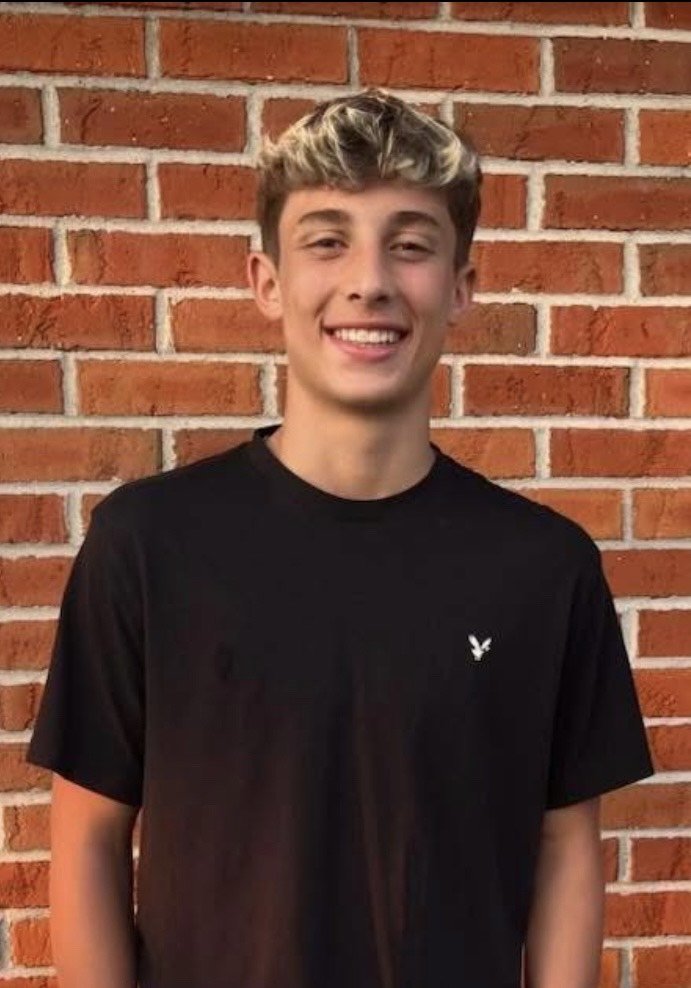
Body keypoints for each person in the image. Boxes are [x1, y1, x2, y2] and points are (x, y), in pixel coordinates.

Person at [27, 89, 654, 988]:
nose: (369, 280)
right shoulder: (148, 545)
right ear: (266, 281)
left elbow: (564, 849)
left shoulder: (543, 568)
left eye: (410, 244)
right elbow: (87, 837)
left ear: (461, 284)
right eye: (327, 239)